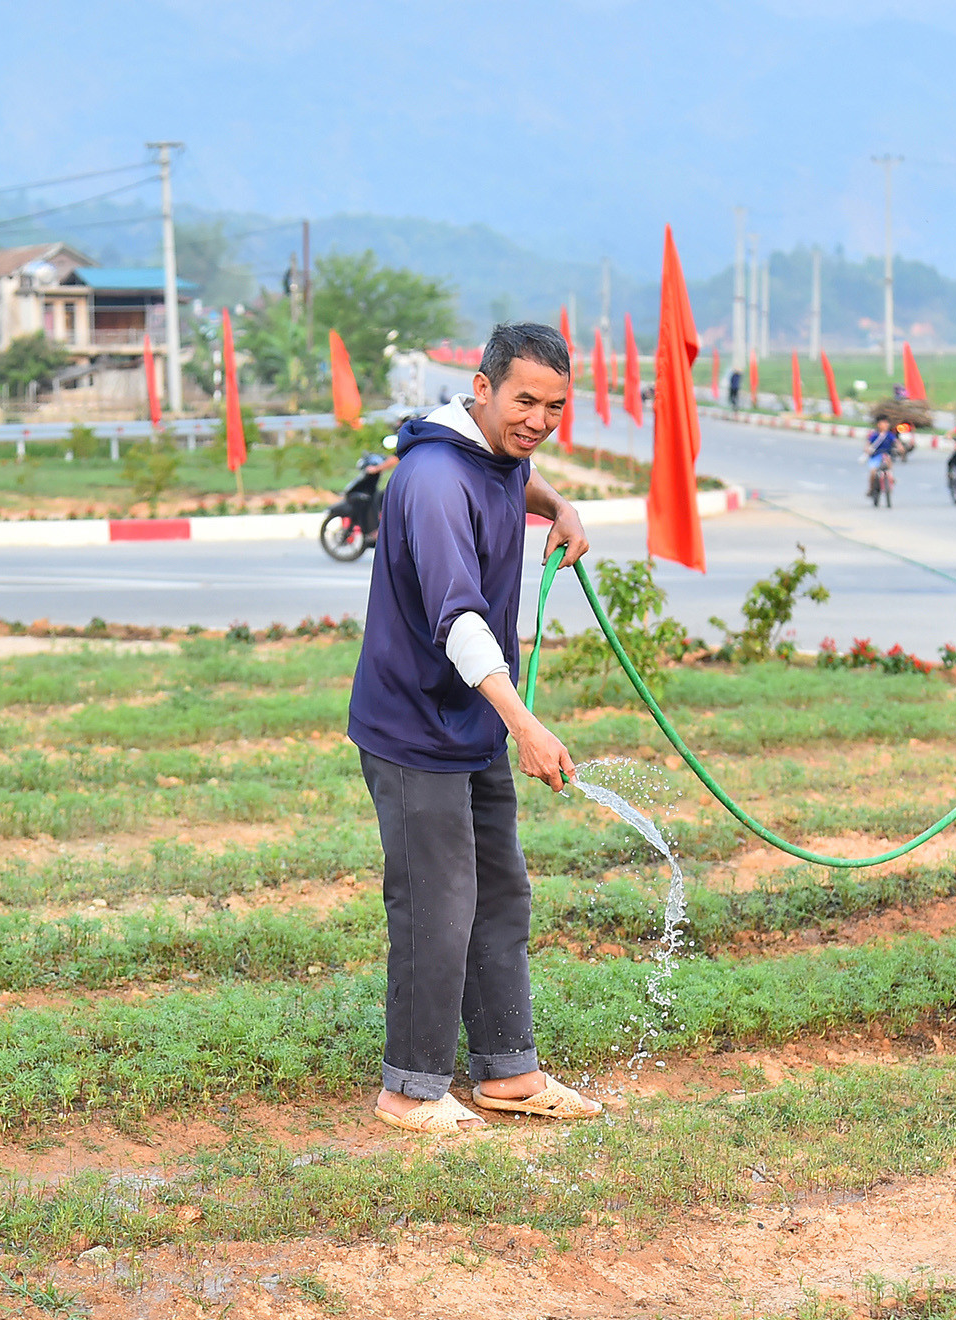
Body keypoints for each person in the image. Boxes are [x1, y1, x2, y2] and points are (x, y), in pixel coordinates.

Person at [348, 322, 603, 1135]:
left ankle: (509, 1075)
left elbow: (513, 475)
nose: (537, 419)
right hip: (416, 722)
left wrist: (558, 502)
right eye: (524, 399)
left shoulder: (498, 451)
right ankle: (410, 1091)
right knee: (438, 901)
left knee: (501, 891)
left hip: (469, 719)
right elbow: (457, 618)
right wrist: (524, 722)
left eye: (555, 406)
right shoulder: (429, 478)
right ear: (483, 387)